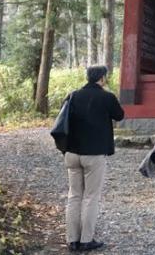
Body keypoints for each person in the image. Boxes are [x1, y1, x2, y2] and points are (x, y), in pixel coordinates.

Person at [63, 65, 124, 252]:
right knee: (90, 197)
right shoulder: (107, 97)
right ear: (103, 78)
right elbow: (119, 115)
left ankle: (72, 240)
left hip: (72, 153)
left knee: (74, 195)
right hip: (94, 154)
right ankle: (86, 240)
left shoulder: (73, 95)